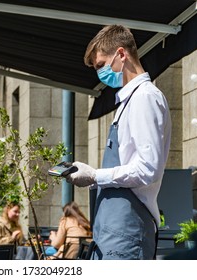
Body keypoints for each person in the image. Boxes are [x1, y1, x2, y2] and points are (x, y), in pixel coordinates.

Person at [65, 25, 171, 260]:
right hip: (117, 229)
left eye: (101, 65)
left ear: (121, 54)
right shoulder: (129, 100)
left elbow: (147, 169)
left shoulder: (145, 97)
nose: (99, 74)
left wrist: (95, 175)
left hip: (128, 228)